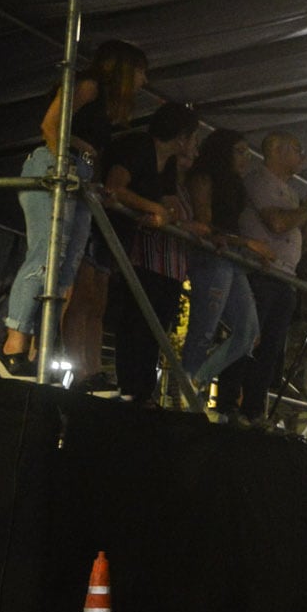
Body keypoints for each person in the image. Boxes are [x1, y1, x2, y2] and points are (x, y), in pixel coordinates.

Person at [0, 40, 146, 381]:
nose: (142, 82)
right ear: (122, 68)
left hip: (81, 177)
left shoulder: (104, 105)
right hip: (55, 168)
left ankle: (34, 350)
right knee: (47, 254)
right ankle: (12, 345)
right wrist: (72, 162)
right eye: (139, 72)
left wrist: (92, 175)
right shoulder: (88, 85)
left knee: (67, 266)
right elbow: (51, 126)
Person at [215, 134, 307, 426]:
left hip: (284, 277)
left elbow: (300, 245)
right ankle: (228, 405)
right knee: (247, 340)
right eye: (297, 149)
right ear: (276, 151)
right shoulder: (260, 180)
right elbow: (277, 223)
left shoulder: (290, 192)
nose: (303, 157)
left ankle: (254, 409)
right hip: (260, 273)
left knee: (271, 350)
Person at [99, 102, 200, 405]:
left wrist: (162, 213)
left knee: (153, 329)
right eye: (193, 137)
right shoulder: (139, 145)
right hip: (107, 233)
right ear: (181, 136)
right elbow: (114, 188)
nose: (194, 146)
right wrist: (153, 208)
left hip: (123, 239)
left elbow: (168, 206)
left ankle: (142, 391)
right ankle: (128, 388)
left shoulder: (166, 165)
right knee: (132, 323)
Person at [179, 129, 264, 400]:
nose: (245, 159)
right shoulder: (204, 177)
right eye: (240, 151)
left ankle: (195, 381)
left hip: (229, 257)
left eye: (248, 153)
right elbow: (206, 225)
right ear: (223, 151)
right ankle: (189, 386)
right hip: (212, 255)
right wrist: (246, 243)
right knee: (204, 326)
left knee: (249, 333)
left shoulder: (236, 185)